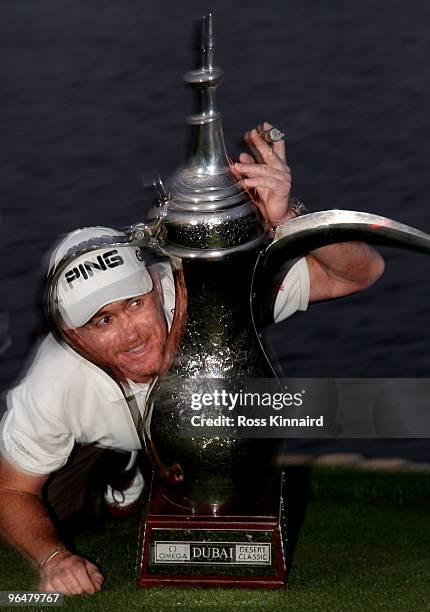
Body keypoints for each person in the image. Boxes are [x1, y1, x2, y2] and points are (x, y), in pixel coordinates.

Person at [0, 123, 384, 596]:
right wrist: (53, 558)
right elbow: (13, 491)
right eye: (102, 321)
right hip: (98, 439)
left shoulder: (200, 293)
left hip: (210, 415)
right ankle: (124, 473)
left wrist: (288, 219)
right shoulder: (54, 379)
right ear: (72, 335)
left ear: (154, 286)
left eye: (134, 303)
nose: (133, 332)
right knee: (62, 507)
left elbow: (358, 274)